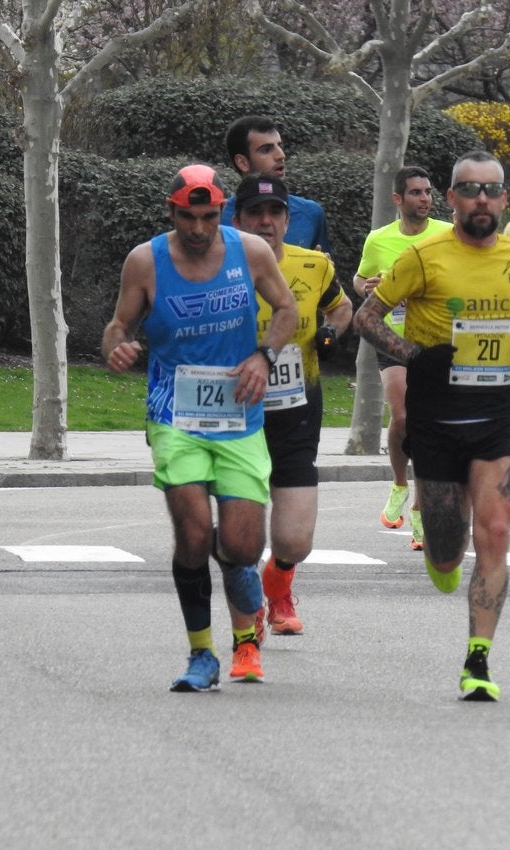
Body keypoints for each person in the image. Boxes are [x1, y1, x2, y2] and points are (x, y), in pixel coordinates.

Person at [353, 150, 510, 702]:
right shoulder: (423, 255)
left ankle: (478, 659)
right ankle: (443, 551)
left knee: (494, 530)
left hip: (497, 414)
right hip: (437, 416)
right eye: (469, 190)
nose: (482, 200)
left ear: (504, 198)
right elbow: (366, 316)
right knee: (447, 552)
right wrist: (414, 354)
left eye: (492, 190)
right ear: (452, 199)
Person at [102, 164, 298, 691]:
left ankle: (230, 560)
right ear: (172, 212)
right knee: (190, 533)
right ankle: (201, 655)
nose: (198, 229)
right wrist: (116, 346)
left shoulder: (250, 252)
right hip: (174, 416)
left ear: (221, 214)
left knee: (239, 545)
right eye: (189, 218)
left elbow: (286, 309)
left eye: (209, 217)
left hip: (239, 416)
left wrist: (264, 356)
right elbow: (118, 325)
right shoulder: (146, 261)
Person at [233, 173, 353, 638]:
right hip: (236, 414)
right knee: (241, 531)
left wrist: (330, 333)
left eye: (275, 213)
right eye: (255, 214)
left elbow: (340, 308)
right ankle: (253, 611)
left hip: (297, 412)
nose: (266, 222)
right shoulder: (218, 266)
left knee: (295, 540)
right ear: (238, 219)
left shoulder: (313, 266)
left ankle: (278, 581)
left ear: (287, 218)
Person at [354, 166, 453, 550]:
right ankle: (399, 482)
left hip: (433, 339)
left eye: (428, 192)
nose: (425, 198)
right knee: (403, 416)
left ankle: (419, 509)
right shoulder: (379, 240)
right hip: (392, 337)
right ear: (398, 199)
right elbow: (360, 280)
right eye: (415, 193)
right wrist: (370, 286)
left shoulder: (446, 234)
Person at [223, 115, 331, 252]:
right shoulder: (217, 218)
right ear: (242, 162)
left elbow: (323, 269)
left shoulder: (310, 213)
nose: (281, 155)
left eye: (279, 146)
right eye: (266, 150)